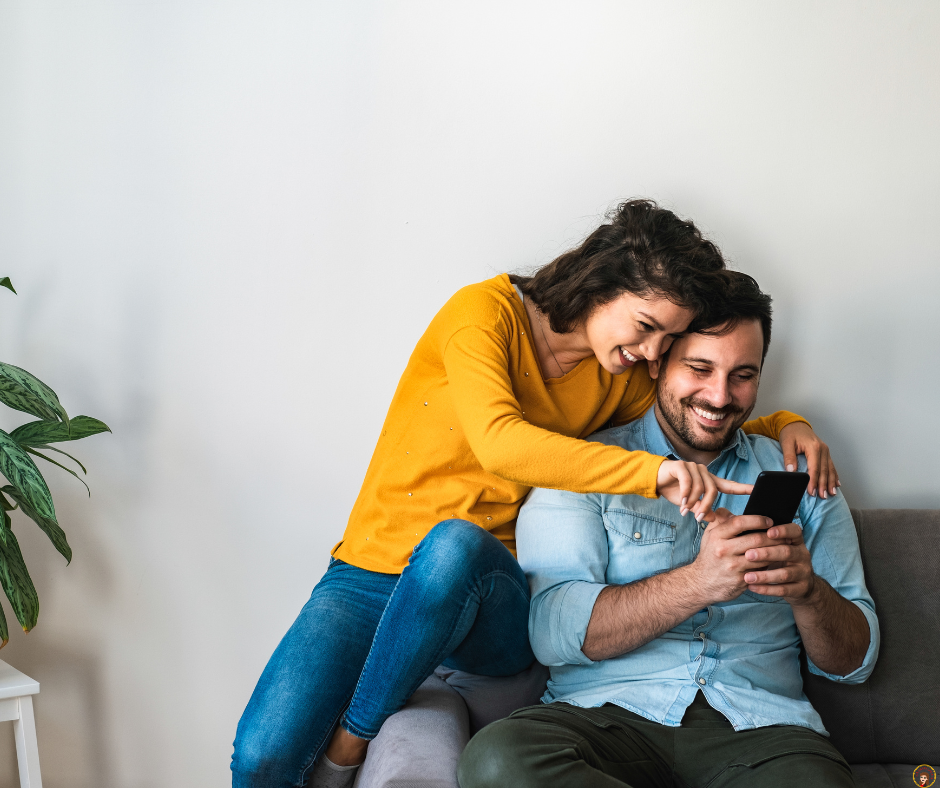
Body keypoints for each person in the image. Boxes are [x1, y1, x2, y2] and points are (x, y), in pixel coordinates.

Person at [231, 201, 838, 788]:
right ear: (601, 285)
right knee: (260, 757)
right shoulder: (483, 315)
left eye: (667, 338)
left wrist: (788, 423)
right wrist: (652, 474)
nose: (653, 352)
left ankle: (352, 740)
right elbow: (501, 442)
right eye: (647, 327)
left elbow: (701, 413)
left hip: (486, 591)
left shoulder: (617, 374)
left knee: (455, 547)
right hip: (374, 568)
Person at [458, 271, 878, 788]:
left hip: (764, 735)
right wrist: (699, 582)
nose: (719, 396)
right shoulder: (584, 466)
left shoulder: (805, 476)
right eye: (699, 368)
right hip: (604, 722)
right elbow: (550, 633)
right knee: (497, 760)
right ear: (657, 361)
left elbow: (854, 664)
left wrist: (808, 592)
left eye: (742, 375)